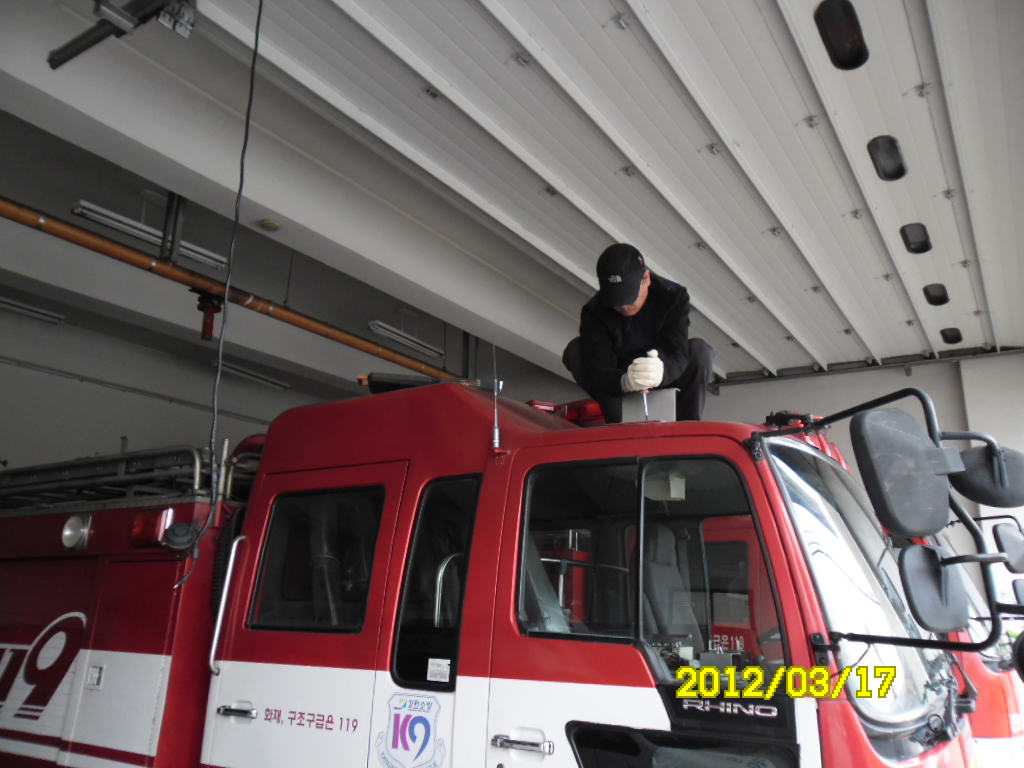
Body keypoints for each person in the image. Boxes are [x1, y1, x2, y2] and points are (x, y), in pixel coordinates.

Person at [562, 243, 715, 424]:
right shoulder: (593, 311)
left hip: (664, 376)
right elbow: (598, 367)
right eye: (616, 299)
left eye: (630, 296)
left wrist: (662, 372)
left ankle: (689, 427)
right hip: (621, 386)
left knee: (699, 350)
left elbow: (677, 353)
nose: (624, 306)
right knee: (575, 351)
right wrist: (624, 382)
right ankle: (620, 424)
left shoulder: (672, 296)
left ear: (646, 278)